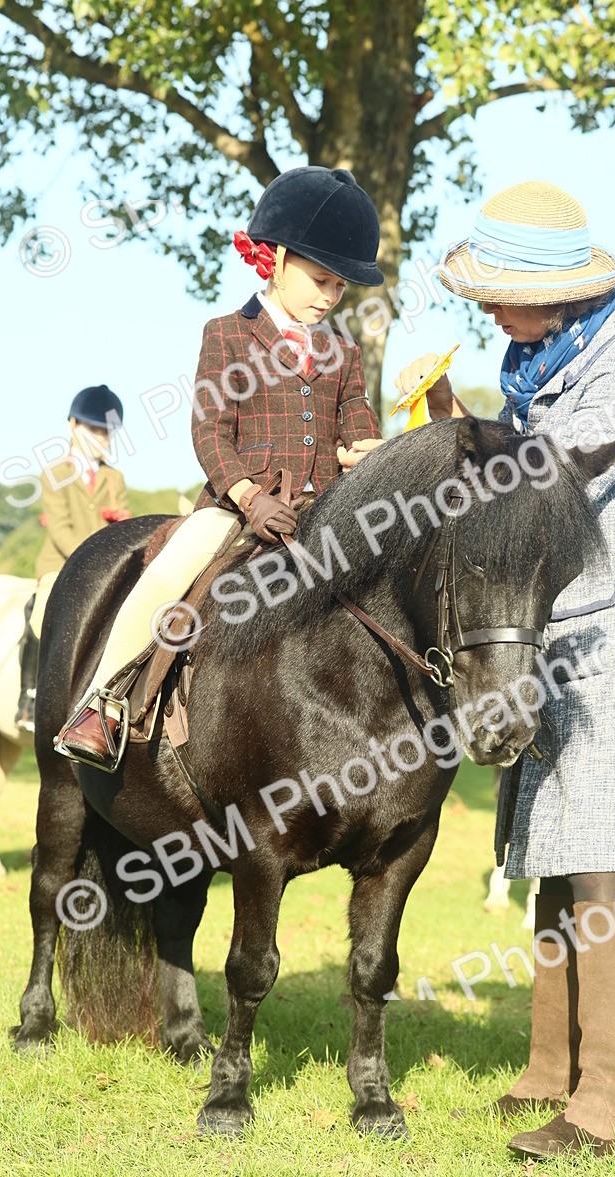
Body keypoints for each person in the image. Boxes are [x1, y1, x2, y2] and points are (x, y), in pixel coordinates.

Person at [395, 180, 615, 1159]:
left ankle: (604, 1110)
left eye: (498, 295)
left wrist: (440, 441)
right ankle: (546, 1070)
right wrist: (449, 419)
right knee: (550, 850)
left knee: (596, 857)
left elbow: (539, 479)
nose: (487, 312)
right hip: (547, 632)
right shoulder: (542, 362)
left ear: (551, 292)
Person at [55, 166, 390, 769]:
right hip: (237, 508)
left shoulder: (343, 350)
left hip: (326, 509)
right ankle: (102, 705)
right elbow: (209, 429)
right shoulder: (228, 334)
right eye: (320, 280)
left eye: (340, 287)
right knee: (166, 575)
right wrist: (248, 495)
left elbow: (357, 423)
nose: (329, 297)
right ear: (278, 259)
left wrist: (364, 453)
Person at [15, 385, 130, 732]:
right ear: (73, 425)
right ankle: (29, 697)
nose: (102, 438)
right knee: (41, 613)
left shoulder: (114, 478)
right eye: (94, 429)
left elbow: (124, 524)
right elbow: (60, 529)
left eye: (106, 431)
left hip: (107, 568)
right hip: (60, 564)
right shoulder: (54, 474)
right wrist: (94, 559)